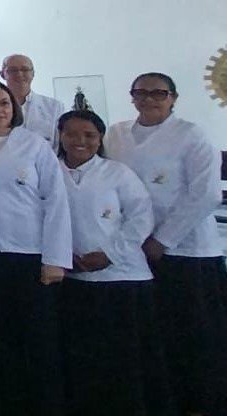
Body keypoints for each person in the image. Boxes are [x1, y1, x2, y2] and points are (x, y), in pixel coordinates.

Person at [105, 72, 227, 416]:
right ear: (132, 97)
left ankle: (203, 403)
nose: (149, 99)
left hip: (186, 250)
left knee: (194, 333)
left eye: (158, 93)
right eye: (140, 93)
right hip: (133, 248)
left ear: (173, 98)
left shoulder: (191, 135)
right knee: (154, 331)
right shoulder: (117, 134)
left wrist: (163, 238)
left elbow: (206, 194)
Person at [0, 80, 71, 416]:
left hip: (29, 254)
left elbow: (55, 201)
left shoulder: (34, 145)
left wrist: (54, 259)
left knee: (37, 337)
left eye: (5, 103)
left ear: (15, 108)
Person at [56, 109, 171, 416]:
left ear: (100, 139)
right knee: (85, 361)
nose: (80, 141)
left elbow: (141, 217)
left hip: (123, 280)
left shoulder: (117, 173)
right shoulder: (51, 171)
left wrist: (110, 254)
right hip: (74, 280)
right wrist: (62, 255)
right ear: (60, 136)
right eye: (71, 134)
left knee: (126, 361)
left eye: (89, 135)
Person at [0, 54, 65, 147]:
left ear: (33, 74)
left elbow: (59, 145)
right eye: (13, 70)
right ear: (2, 74)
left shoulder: (54, 107)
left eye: (25, 69)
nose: (19, 74)